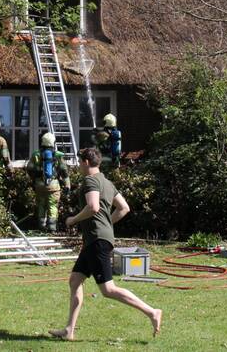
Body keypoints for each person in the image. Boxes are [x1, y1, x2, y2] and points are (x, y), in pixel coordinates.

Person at [50, 147, 162, 342]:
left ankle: (152, 312)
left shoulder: (90, 180)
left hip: (97, 241)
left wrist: (73, 219)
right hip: (97, 239)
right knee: (75, 280)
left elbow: (92, 207)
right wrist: (107, 224)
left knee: (108, 289)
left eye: (79, 163)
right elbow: (124, 208)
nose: (79, 167)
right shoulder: (107, 182)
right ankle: (69, 330)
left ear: (86, 162)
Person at [26, 132, 71, 232]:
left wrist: (35, 180)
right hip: (53, 186)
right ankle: (52, 228)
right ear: (53, 143)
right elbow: (64, 172)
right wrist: (68, 185)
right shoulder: (58, 155)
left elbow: (29, 169)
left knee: (41, 205)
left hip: (39, 186)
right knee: (52, 206)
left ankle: (41, 227)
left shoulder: (36, 154)